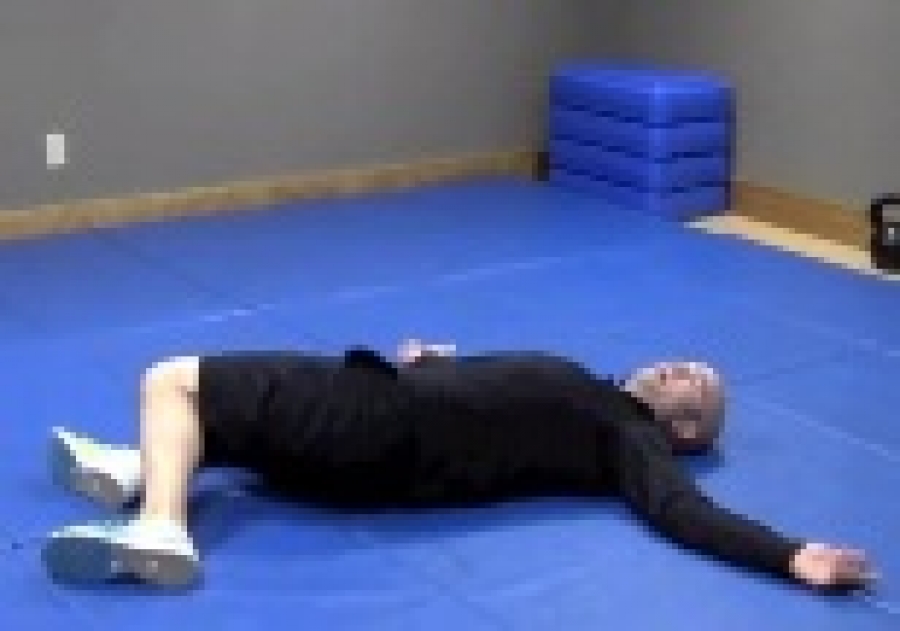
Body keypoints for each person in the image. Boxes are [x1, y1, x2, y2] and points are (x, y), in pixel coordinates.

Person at [42, 340, 875, 591]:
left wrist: (790, 555)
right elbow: (494, 404)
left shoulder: (627, 437)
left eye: (694, 381)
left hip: (373, 421)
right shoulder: (595, 397)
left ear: (685, 430)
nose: (678, 365)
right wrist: (439, 362)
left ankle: (161, 523)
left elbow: (684, 512)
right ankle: (141, 468)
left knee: (172, 377)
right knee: (220, 416)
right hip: (379, 426)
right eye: (686, 361)